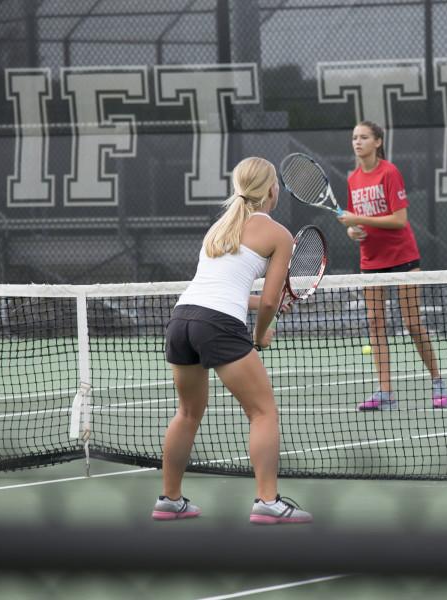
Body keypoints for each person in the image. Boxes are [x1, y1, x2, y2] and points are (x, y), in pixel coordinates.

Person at [152, 156, 312, 524]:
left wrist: (264, 306)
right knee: (263, 412)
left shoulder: (219, 228)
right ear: (272, 190)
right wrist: (260, 335)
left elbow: (230, 289)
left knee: (187, 412)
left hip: (182, 320)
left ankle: (169, 499)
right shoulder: (279, 234)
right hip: (219, 324)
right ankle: (268, 502)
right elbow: (269, 301)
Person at [336, 121, 447, 411]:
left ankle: (437, 381)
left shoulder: (389, 173)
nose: (357, 142)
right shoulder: (353, 179)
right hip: (371, 260)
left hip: (403, 259)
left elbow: (399, 219)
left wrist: (359, 221)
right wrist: (354, 231)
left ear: (377, 142)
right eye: (354, 137)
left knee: (412, 324)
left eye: (363, 137)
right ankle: (385, 392)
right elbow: (355, 222)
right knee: (376, 324)